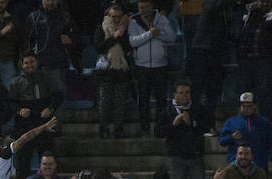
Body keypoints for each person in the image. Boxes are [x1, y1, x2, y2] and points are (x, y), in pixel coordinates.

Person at [7, 52, 63, 179]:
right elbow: (9, 102)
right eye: (26, 63)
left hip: (45, 124)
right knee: (23, 163)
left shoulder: (47, 78)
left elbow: (59, 95)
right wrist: (19, 110)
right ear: (22, 64)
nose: (29, 65)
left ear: (37, 62)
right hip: (24, 126)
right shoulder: (16, 82)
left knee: (49, 158)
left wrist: (50, 108)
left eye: (32, 62)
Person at [156, 81, 211, 179]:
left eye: (187, 92)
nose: (185, 95)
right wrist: (173, 125)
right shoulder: (167, 111)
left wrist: (191, 123)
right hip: (176, 157)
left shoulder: (199, 109)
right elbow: (158, 132)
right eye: (181, 92)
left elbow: (206, 127)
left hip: (195, 156)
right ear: (174, 94)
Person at [187, 0, 239, 135]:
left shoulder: (226, 9)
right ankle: (193, 122)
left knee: (213, 91)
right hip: (202, 51)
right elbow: (212, 7)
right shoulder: (210, 4)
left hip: (216, 52)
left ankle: (208, 124)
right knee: (197, 90)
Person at [127, 0, 176, 137]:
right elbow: (132, 41)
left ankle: (161, 129)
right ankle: (145, 129)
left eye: (145, 7)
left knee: (161, 100)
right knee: (143, 99)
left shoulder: (162, 19)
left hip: (160, 65)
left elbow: (172, 37)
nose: (143, 10)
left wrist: (158, 34)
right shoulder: (134, 21)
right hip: (141, 66)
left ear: (152, 7)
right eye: (140, 7)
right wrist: (149, 34)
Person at [238, 0, 272, 118]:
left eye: (267, 1)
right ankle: (243, 124)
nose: (263, 4)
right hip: (246, 61)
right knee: (245, 94)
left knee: (265, 95)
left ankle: (265, 125)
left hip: (265, 62)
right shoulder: (249, 16)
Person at [93, 3, 132, 139]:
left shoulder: (125, 30)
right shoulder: (101, 28)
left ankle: (118, 128)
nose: (116, 19)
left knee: (119, 101)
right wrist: (114, 36)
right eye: (113, 16)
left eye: (119, 17)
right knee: (105, 101)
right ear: (108, 16)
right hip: (105, 70)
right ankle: (104, 128)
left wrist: (121, 34)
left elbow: (128, 47)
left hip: (121, 70)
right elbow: (99, 47)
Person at [218, 92, 272, 172]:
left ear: (254, 106)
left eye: (249, 106)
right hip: (236, 165)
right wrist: (231, 137)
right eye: (243, 106)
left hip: (259, 164)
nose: (246, 109)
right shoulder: (231, 122)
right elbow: (222, 141)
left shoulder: (263, 122)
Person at [24, 0, 75, 93]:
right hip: (39, 62)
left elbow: (76, 36)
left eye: (53, 0)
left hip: (61, 62)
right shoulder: (34, 17)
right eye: (47, 0)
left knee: (59, 92)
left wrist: (71, 40)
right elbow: (27, 40)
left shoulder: (65, 17)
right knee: (40, 93)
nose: (50, 2)